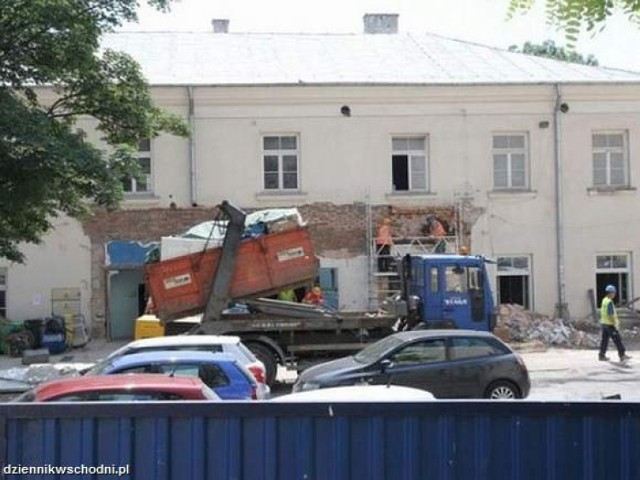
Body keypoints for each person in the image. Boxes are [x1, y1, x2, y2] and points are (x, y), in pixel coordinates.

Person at [599, 284, 632, 362]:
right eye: (614, 293)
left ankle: (601, 355)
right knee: (617, 340)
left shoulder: (604, 300)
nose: (614, 294)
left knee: (604, 341)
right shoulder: (609, 302)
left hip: (604, 324)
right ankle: (622, 355)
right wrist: (615, 324)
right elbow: (610, 314)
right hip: (610, 325)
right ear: (610, 293)